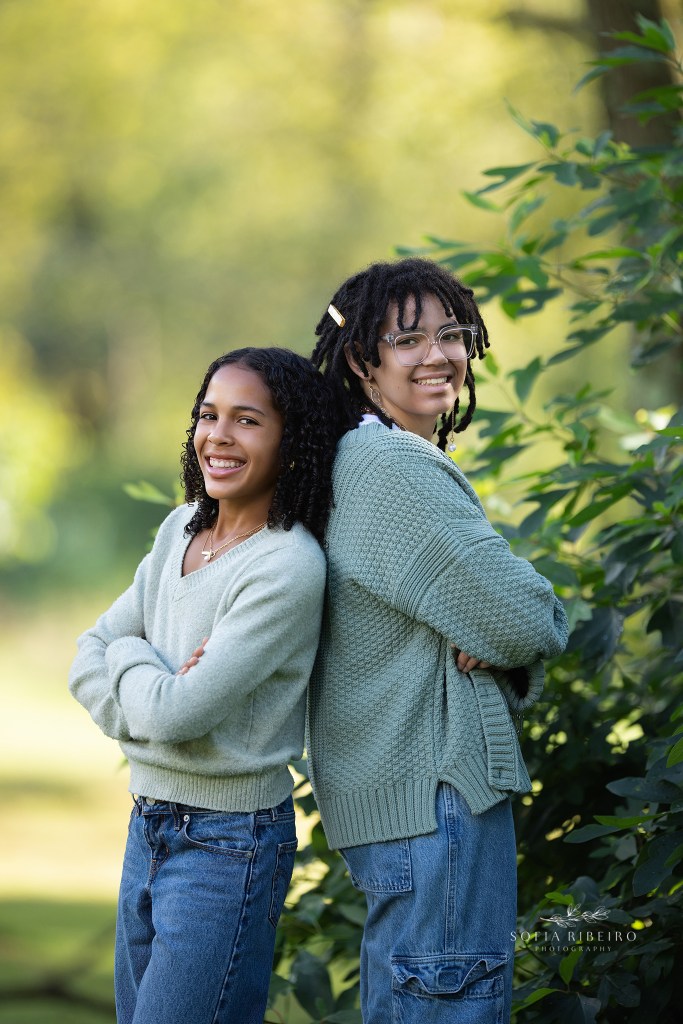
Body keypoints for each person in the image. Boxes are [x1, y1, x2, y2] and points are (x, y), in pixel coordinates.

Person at [308, 258, 569, 1023]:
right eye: (407, 340)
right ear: (361, 360)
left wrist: (503, 640)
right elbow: (526, 620)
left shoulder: (371, 457)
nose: (438, 355)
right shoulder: (388, 465)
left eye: (451, 334)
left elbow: (498, 628)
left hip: (412, 806)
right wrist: (529, 629)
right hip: (435, 798)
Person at [69, 347, 338, 1024]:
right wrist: (147, 675)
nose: (217, 435)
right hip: (148, 821)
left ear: (291, 441)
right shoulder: (178, 528)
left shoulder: (285, 565)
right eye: (208, 414)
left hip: (230, 842)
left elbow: (179, 712)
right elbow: (85, 658)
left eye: (246, 420)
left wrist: (127, 658)